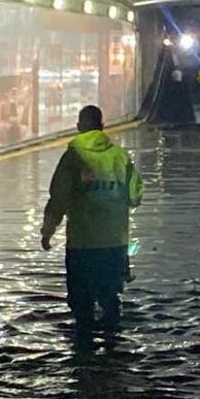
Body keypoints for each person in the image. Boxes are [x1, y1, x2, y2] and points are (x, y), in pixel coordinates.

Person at [41, 105, 143, 335]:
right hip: (113, 244)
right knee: (111, 302)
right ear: (102, 127)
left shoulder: (72, 158)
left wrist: (47, 232)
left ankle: (84, 351)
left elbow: (58, 199)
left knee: (81, 306)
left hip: (81, 245)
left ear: (79, 127)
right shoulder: (120, 157)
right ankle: (113, 350)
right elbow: (135, 197)